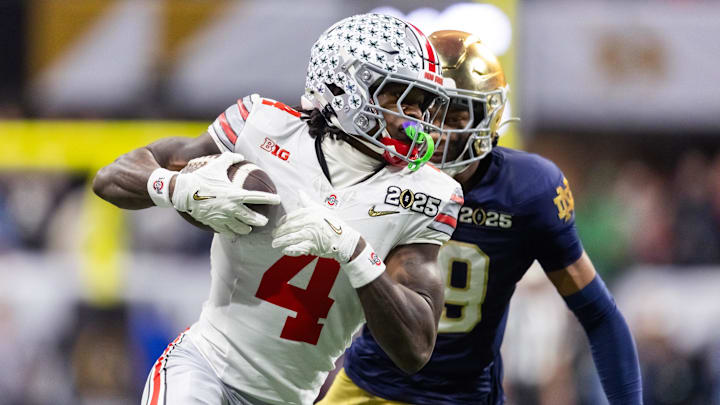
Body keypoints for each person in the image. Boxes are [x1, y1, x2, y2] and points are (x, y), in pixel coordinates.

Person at [92, 14, 464, 405]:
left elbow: (415, 348)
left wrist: (355, 253)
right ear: (344, 85)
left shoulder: (425, 193)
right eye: (400, 96)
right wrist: (177, 187)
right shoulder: (261, 127)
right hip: (205, 367)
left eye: (422, 103)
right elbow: (110, 178)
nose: (415, 117)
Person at [319, 30, 643, 405]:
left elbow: (598, 313)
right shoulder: (378, 169)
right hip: (368, 386)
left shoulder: (528, 191)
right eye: (427, 110)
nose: (436, 130)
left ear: (487, 119)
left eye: (454, 116)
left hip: (465, 397)